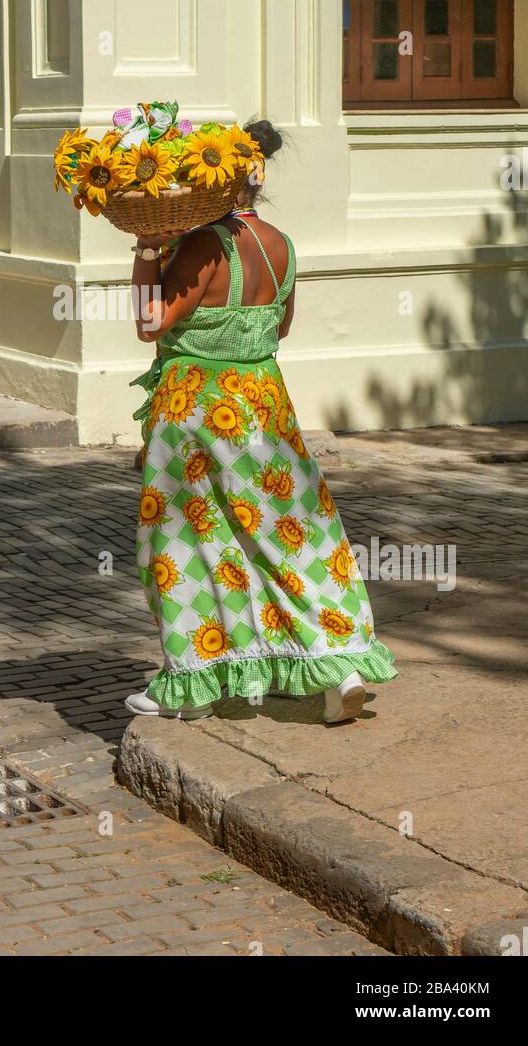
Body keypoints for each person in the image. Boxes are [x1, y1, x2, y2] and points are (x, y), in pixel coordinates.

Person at [126, 120, 397, 725]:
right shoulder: (282, 243)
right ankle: (338, 659)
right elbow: (280, 327)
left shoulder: (203, 244)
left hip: (198, 406)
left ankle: (193, 683)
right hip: (264, 401)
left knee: (189, 539)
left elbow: (150, 323)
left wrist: (147, 249)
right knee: (290, 532)